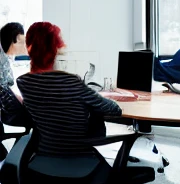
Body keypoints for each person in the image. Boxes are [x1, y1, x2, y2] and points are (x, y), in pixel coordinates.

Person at [16, 22, 121, 155]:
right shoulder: (71, 81)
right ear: (55, 48)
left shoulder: (23, 82)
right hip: (77, 155)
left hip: (44, 153)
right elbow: (114, 110)